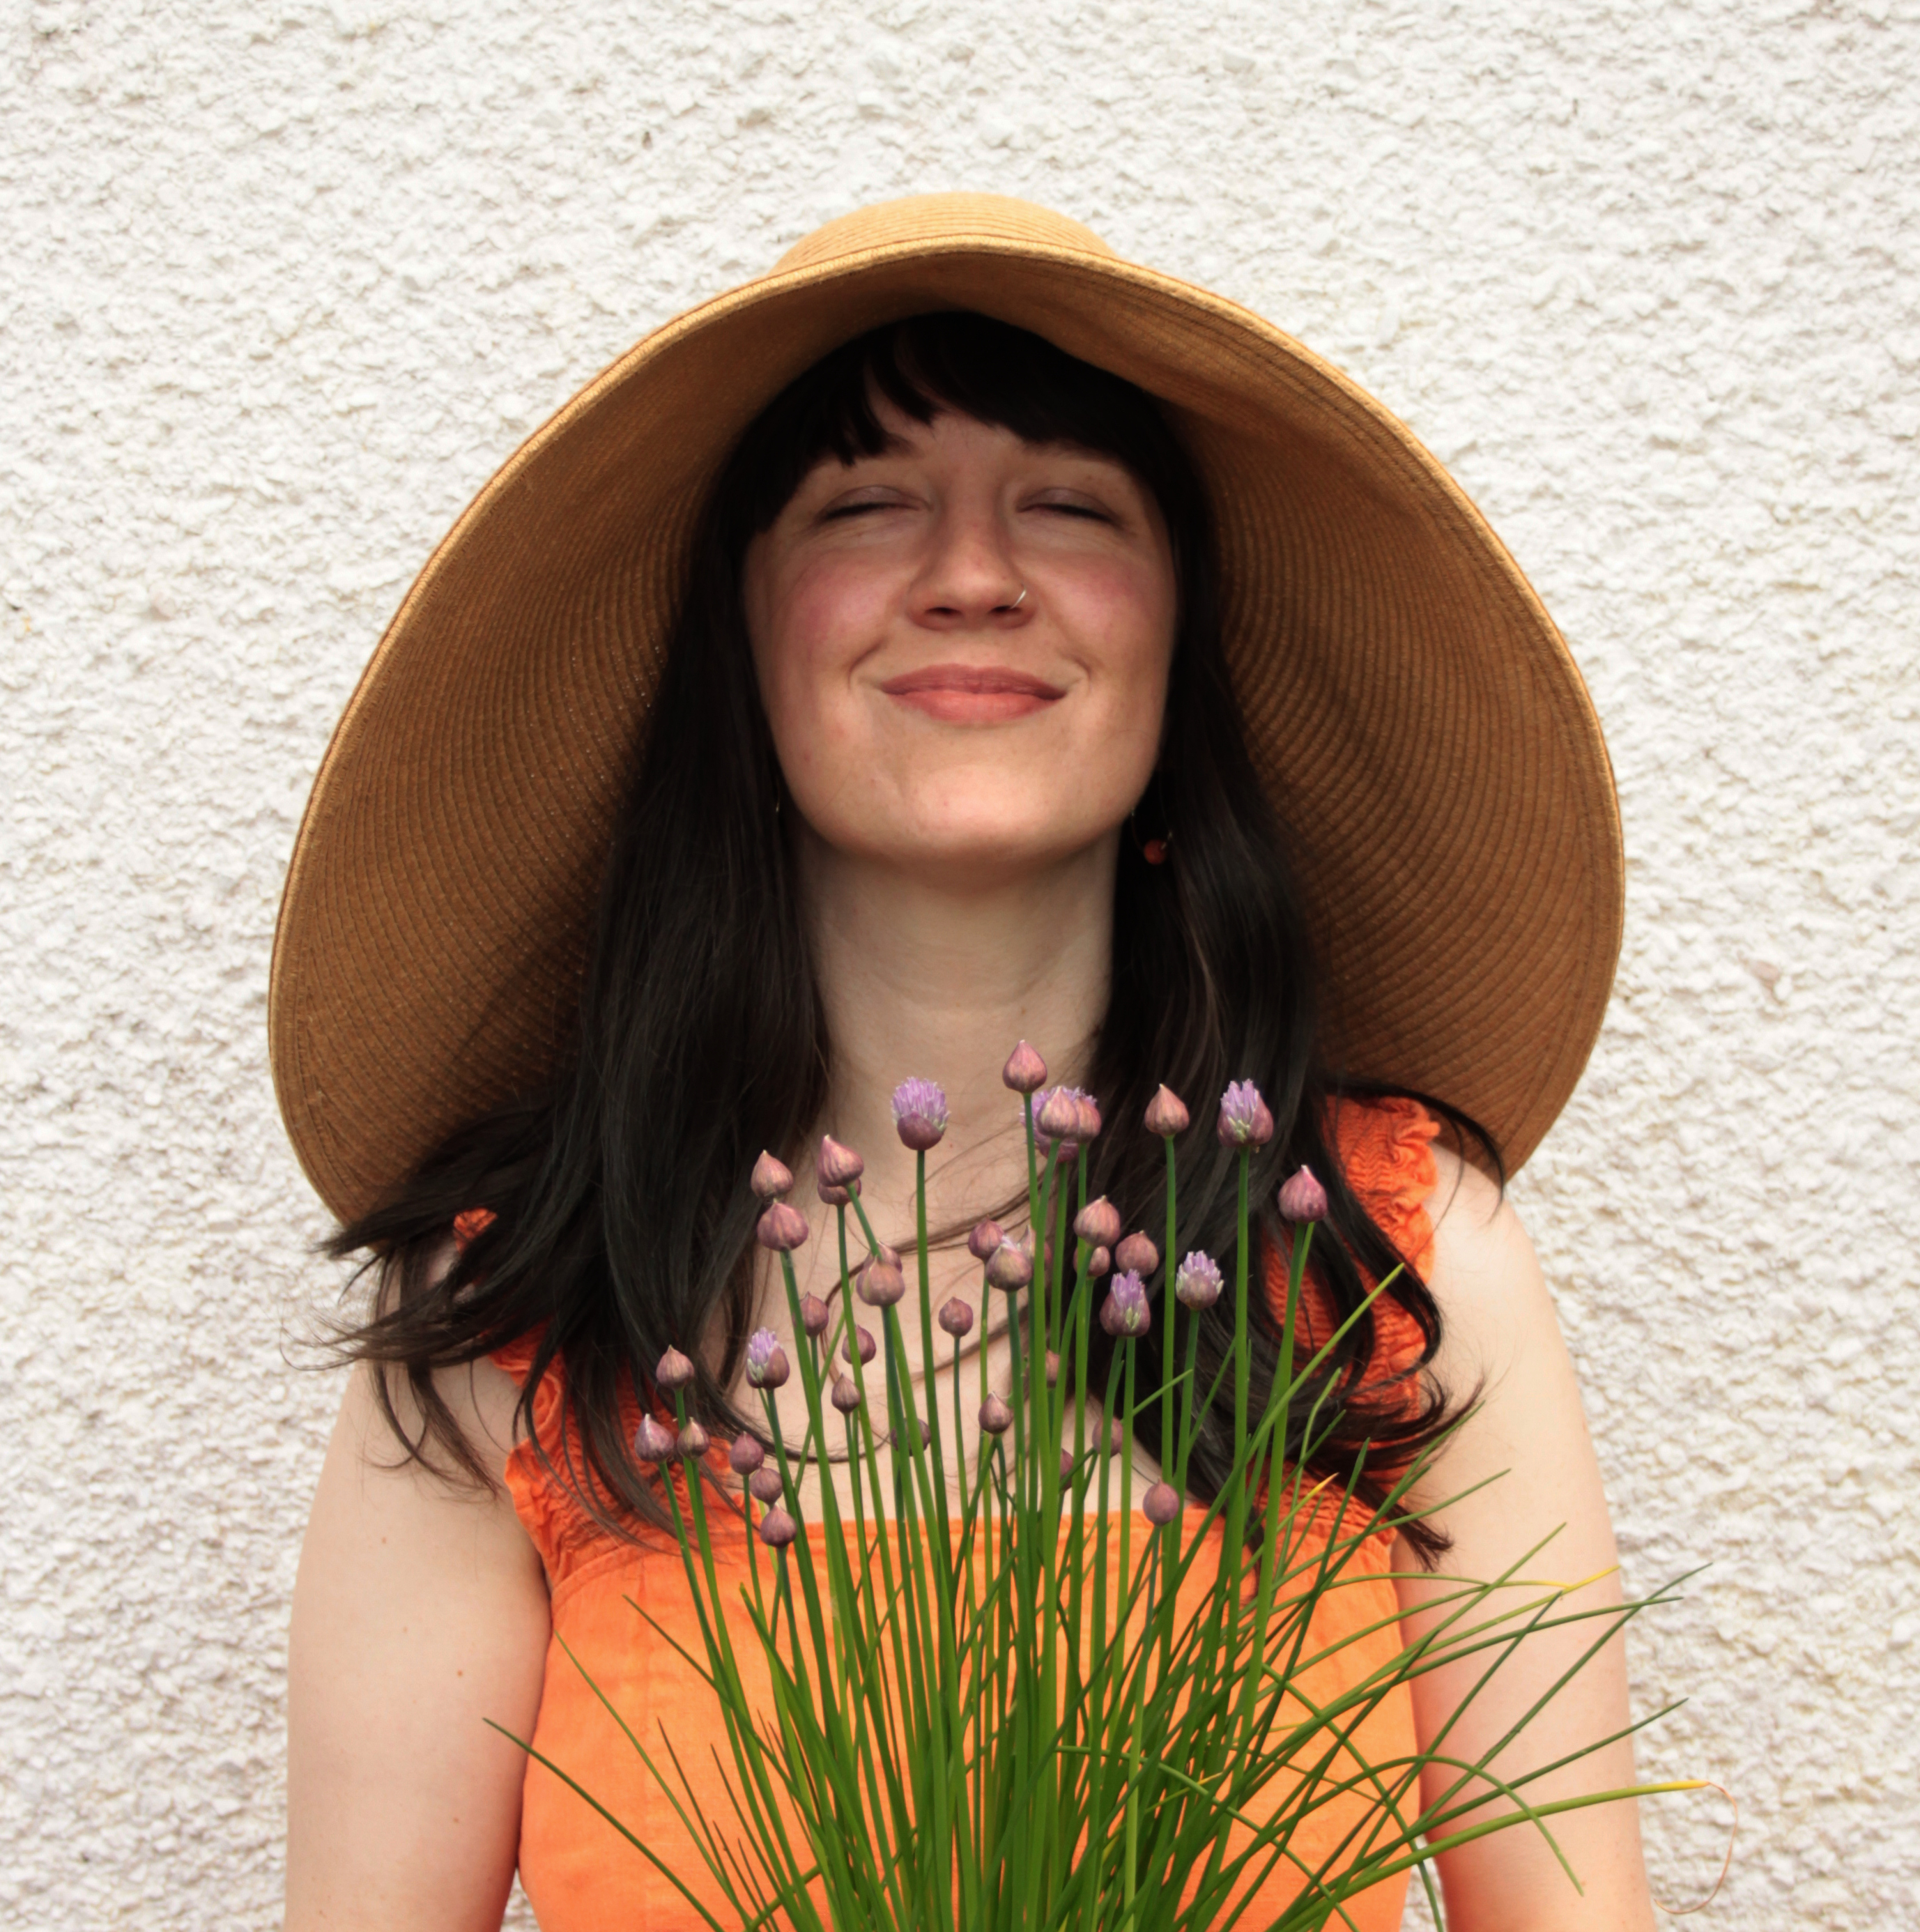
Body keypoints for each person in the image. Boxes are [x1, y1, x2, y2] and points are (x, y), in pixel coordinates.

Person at [279, 196, 1651, 1931]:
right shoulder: (518, 1332)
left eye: (1070, 505)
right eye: (865, 507)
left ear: (1173, 652)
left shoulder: (1388, 1257)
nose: (974, 574)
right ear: (749, 654)